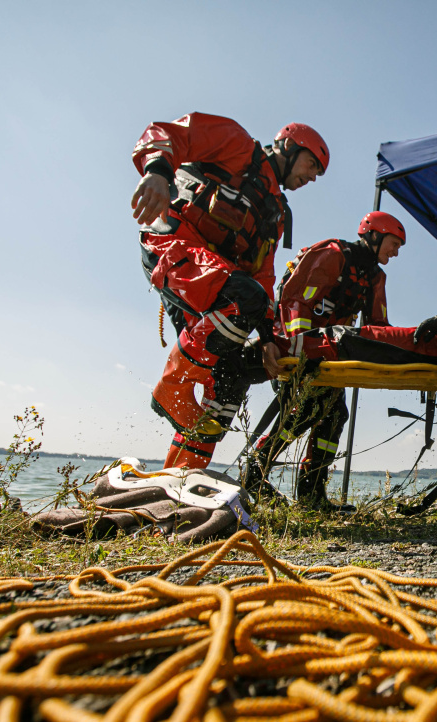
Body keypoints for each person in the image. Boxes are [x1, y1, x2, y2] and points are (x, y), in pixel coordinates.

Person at [130, 113, 328, 469]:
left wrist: (269, 335)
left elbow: (264, 276)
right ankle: (172, 388)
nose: (313, 176)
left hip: (217, 284)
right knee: (244, 298)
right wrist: (157, 172)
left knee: (228, 378)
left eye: (318, 173)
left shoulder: (276, 213)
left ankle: (179, 479)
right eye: (312, 163)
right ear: (287, 145)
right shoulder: (237, 145)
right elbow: (170, 133)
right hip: (173, 246)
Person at [247, 212, 405, 510]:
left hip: (331, 354)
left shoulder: (375, 276)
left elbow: (379, 325)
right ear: (374, 234)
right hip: (299, 348)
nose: (396, 252)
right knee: (306, 409)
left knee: (333, 417)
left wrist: (401, 350)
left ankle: (311, 493)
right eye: (394, 243)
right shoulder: (333, 255)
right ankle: (254, 474)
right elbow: (295, 301)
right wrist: (299, 349)